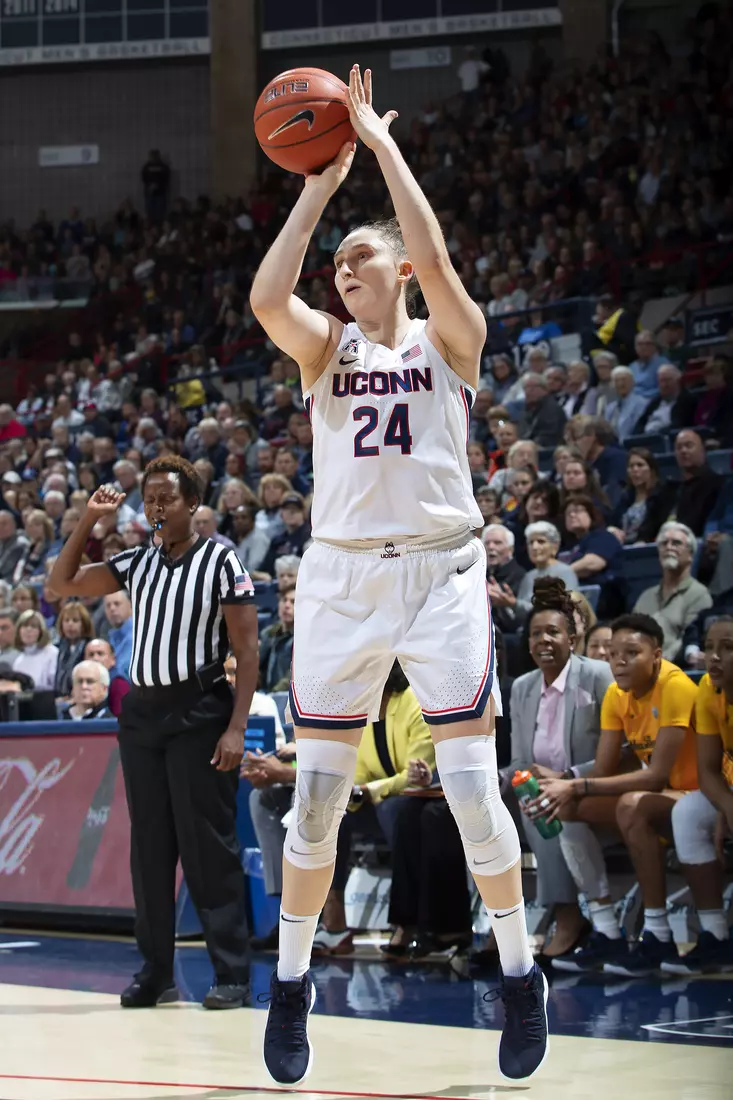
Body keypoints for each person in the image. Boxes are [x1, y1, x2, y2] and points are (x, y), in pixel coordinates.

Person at [250, 65, 547, 1086]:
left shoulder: (447, 340)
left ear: (402, 277)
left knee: (469, 788)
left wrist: (376, 144)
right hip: (340, 579)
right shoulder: (324, 350)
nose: (342, 269)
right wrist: (317, 194)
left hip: (439, 570)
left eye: (359, 259)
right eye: (336, 263)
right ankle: (290, 988)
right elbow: (262, 296)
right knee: (315, 805)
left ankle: (517, 970)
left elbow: (429, 245)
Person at [49, 458, 258, 1010]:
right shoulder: (137, 560)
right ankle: (156, 971)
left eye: (168, 498)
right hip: (142, 716)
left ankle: (231, 972)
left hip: (199, 710)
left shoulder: (222, 560)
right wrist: (87, 521)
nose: (157, 508)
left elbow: (247, 649)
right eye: (150, 499)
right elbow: (60, 583)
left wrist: (236, 726)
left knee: (207, 845)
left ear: (193, 504)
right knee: (150, 848)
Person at [536, 615, 698, 976]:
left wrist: (575, 785)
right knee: (568, 809)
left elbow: (655, 777)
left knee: (629, 805)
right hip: (662, 799)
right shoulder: (615, 694)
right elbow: (604, 770)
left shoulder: (676, 686)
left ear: (656, 655)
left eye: (631, 653)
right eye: (612, 654)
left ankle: (658, 934)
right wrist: (565, 785)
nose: (619, 661)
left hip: (699, 798)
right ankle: (606, 928)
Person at [510, 580, 613, 959]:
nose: (544, 640)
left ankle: (568, 917)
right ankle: (495, 924)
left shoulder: (598, 676)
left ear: (572, 638)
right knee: (478, 807)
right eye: (536, 634)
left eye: (553, 632)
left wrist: (566, 777)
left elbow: (616, 749)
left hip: (588, 786)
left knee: (542, 805)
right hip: (535, 784)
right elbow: (520, 759)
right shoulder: (522, 686)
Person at [664, 619, 733, 974]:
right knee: (689, 812)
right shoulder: (708, 688)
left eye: (728, 648)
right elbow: (708, 769)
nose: (715, 657)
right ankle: (715, 936)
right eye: (709, 647)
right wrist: (728, 808)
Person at [633, 523, 712, 663]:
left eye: (676, 543)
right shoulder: (645, 596)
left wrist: (657, 662)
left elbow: (690, 640)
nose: (669, 547)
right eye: (664, 543)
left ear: (691, 554)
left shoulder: (699, 595)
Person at [561, 496, 624, 617]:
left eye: (578, 511)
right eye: (568, 513)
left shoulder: (603, 536)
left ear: (591, 514)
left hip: (604, 604)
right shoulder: (567, 546)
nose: (572, 515)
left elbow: (593, 563)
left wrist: (562, 573)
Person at [608, 448, 677, 546]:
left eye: (640, 465)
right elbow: (613, 522)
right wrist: (611, 529)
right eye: (631, 466)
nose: (635, 470)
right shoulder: (625, 498)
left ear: (651, 470)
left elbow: (659, 525)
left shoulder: (663, 495)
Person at [514, 522, 579, 623]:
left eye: (541, 541)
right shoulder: (528, 576)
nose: (534, 547)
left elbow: (565, 609)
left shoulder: (565, 572)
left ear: (555, 546)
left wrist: (513, 603)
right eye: (531, 542)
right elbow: (518, 618)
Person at [670, 430, 723, 538]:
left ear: (702, 450)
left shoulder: (716, 484)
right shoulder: (670, 487)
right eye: (679, 447)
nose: (683, 451)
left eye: (689, 446)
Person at [484, 524, 526, 636]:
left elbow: (519, 621)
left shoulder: (520, 575)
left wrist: (503, 603)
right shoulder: (478, 575)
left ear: (510, 549)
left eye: (497, 543)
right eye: (487, 543)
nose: (491, 547)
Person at [633, 364, 697, 435]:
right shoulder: (655, 402)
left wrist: (657, 435)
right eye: (661, 381)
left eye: (667, 380)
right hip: (646, 440)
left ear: (677, 381)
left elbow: (678, 426)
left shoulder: (687, 400)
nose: (664, 385)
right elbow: (640, 423)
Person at [54, 601, 94, 698]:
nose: (70, 624)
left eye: (75, 620)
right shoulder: (57, 649)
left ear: (84, 624)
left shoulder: (90, 647)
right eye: (66, 620)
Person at [259, 585, 295, 692]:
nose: (287, 605)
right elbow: (257, 668)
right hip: (265, 695)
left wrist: (272, 694)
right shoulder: (268, 634)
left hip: (286, 697)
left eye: (293, 602)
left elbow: (293, 675)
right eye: (284, 600)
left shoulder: (304, 639)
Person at [516, 374, 567, 447]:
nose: (528, 391)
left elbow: (548, 437)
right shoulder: (528, 408)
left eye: (532, 387)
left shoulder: (551, 409)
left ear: (545, 389)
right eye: (526, 387)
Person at [84, 637, 130, 716]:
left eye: (100, 654)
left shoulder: (118, 684)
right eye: (91, 655)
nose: (95, 658)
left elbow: (121, 720)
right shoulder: (81, 682)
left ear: (113, 659)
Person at [604, 367, 649, 444]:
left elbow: (638, 430)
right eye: (617, 381)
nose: (621, 384)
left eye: (624, 380)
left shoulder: (641, 403)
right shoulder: (610, 408)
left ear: (632, 382)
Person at [628, 331, 670, 401]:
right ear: (635, 347)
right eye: (640, 344)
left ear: (655, 346)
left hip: (653, 403)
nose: (644, 347)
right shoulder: (631, 367)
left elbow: (665, 389)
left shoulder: (664, 365)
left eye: (648, 344)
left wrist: (639, 396)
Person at [104, 590, 133, 682]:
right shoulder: (111, 638)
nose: (112, 608)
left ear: (131, 606)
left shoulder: (138, 637)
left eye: (117, 604)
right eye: (108, 605)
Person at [0, 512, 29, 585]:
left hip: (11, 583)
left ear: (14, 525)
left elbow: (4, 569)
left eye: (4, 523)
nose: (1, 527)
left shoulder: (20, 543)